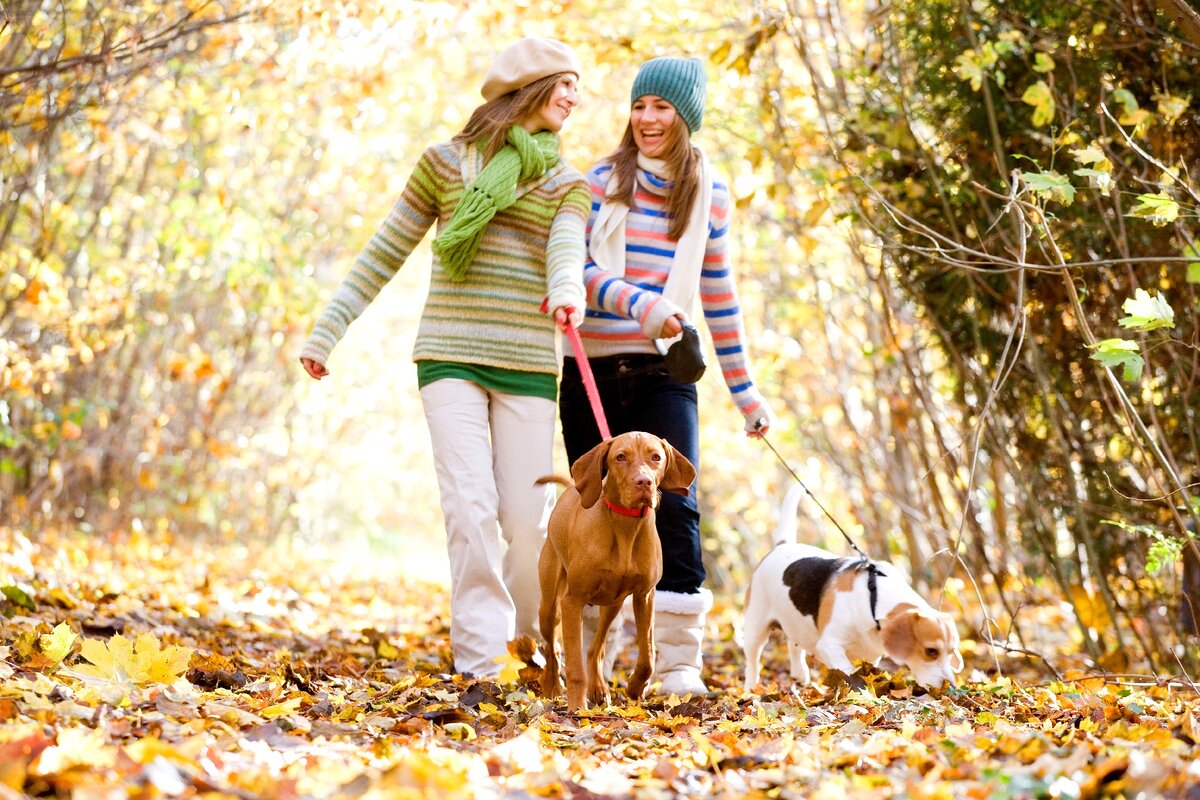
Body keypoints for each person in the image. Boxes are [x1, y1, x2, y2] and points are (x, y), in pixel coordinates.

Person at [300, 38, 589, 679]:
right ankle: (482, 661)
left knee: (526, 521)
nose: (575, 96)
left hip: (528, 366)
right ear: (527, 87)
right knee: (469, 506)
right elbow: (384, 251)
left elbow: (567, 249)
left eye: (577, 86)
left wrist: (568, 289)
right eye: (564, 83)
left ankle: (526, 639)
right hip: (450, 356)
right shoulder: (443, 165)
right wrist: (328, 331)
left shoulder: (569, 183)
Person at [560, 56, 774, 695]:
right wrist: (644, 304)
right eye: (639, 106)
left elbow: (718, 293)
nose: (648, 119)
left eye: (662, 107)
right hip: (591, 366)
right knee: (596, 513)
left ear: (687, 116)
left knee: (676, 505)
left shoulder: (711, 194)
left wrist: (746, 392)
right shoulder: (598, 181)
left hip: (665, 369)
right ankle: (598, 659)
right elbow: (577, 272)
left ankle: (679, 663)